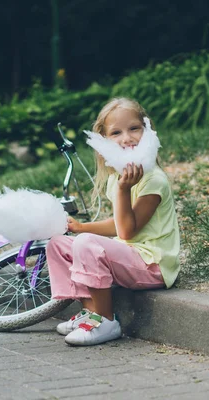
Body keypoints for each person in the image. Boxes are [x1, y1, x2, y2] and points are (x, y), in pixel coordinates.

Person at [46, 97, 181, 346]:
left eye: (134, 128)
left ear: (148, 131)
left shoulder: (153, 180)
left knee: (85, 244)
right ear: (103, 142)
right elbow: (121, 223)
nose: (127, 138)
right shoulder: (116, 178)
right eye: (116, 132)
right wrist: (81, 227)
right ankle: (89, 311)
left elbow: (127, 232)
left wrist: (123, 190)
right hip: (128, 257)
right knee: (58, 244)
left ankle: (106, 321)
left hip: (152, 265)